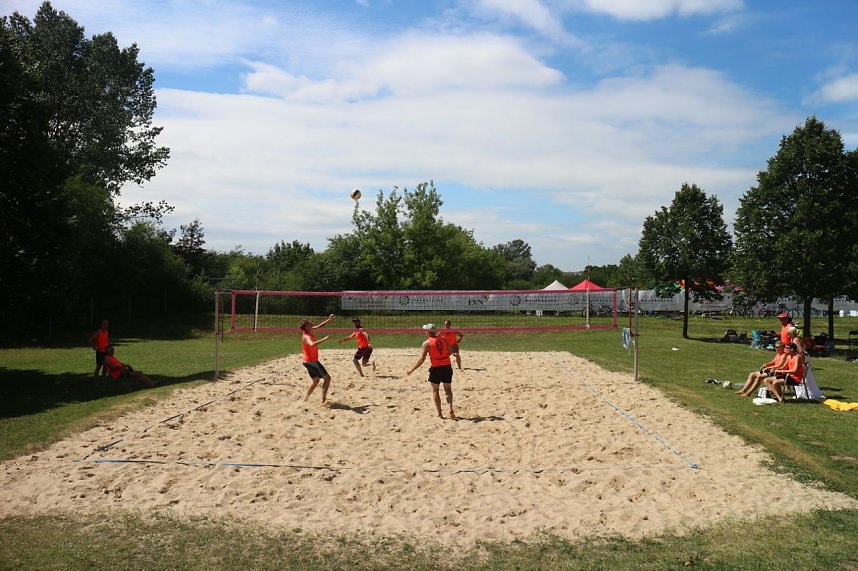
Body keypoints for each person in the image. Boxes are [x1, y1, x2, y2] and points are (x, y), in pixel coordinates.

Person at [406, 323, 456, 419]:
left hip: (436, 367)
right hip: (447, 366)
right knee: (448, 390)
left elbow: (421, 360)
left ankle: (439, 413)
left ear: (428, 332)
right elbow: (450, 351)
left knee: (435, 390)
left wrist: (411, 370)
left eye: (425, 330)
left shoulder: (427, 343)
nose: (424, 331)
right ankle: (450, 408)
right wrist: (443, 357)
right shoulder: (444, 339)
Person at [300, 314, 336, 404]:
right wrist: (324, 339)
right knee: (327, 379)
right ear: (306, 327)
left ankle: (305, 399)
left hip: (307, 361)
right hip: (312, 362)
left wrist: (329, 320)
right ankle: (323, 400)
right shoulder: (306, 337)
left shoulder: (310, 330)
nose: (311, 322)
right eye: (309, 323)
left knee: (315, 381)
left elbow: (320, 326)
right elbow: (312, 344)